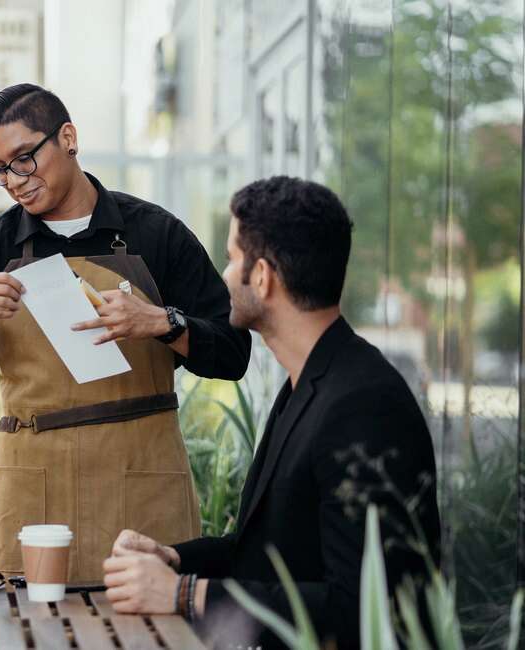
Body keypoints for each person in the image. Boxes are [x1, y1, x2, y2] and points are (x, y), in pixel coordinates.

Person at [0, 83, 251, 583]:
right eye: (0, 169)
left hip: (143, 484)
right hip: (33, 491)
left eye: (24, 159)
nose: (14, 181)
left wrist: (162, 322)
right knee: (31, 622)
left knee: (148, 620)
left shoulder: (157, 234)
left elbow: (233, 354)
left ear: (67, 138)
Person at [101, 177, 442, 648]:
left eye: (231, 258)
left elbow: (364, 609)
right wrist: (174, 559)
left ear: (262, 276)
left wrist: (184, 594)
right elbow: (269, 556)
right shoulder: (311, 381)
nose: (225, 275)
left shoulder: (363, 406)